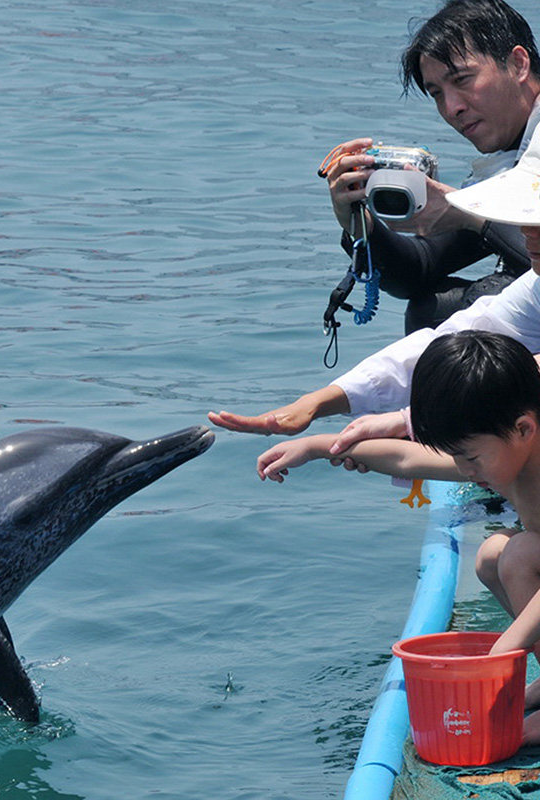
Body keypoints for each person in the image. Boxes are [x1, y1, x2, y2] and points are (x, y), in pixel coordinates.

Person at [255, 330, 540, 743]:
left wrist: (501, 652)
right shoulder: (507, 456)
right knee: (493, 555)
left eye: (471, 457)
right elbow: (408, 456)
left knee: (520, 555)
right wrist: (319, 447)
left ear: (523, 430)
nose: (465, 470)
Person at [208, 117, 540, 453]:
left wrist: (405, 423)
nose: (527, 230)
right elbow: (457, 337)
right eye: (524, 215)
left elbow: (518, 374)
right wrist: (316, 402)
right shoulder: (535, 287)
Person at [325, 0, 540, 333]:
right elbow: (418, 271)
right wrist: (359, 223)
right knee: (434, 309)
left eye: (463, 79)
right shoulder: (504, 162)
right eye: (437, 93)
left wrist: (471, 215)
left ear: (518, 63)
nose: (451, 108)